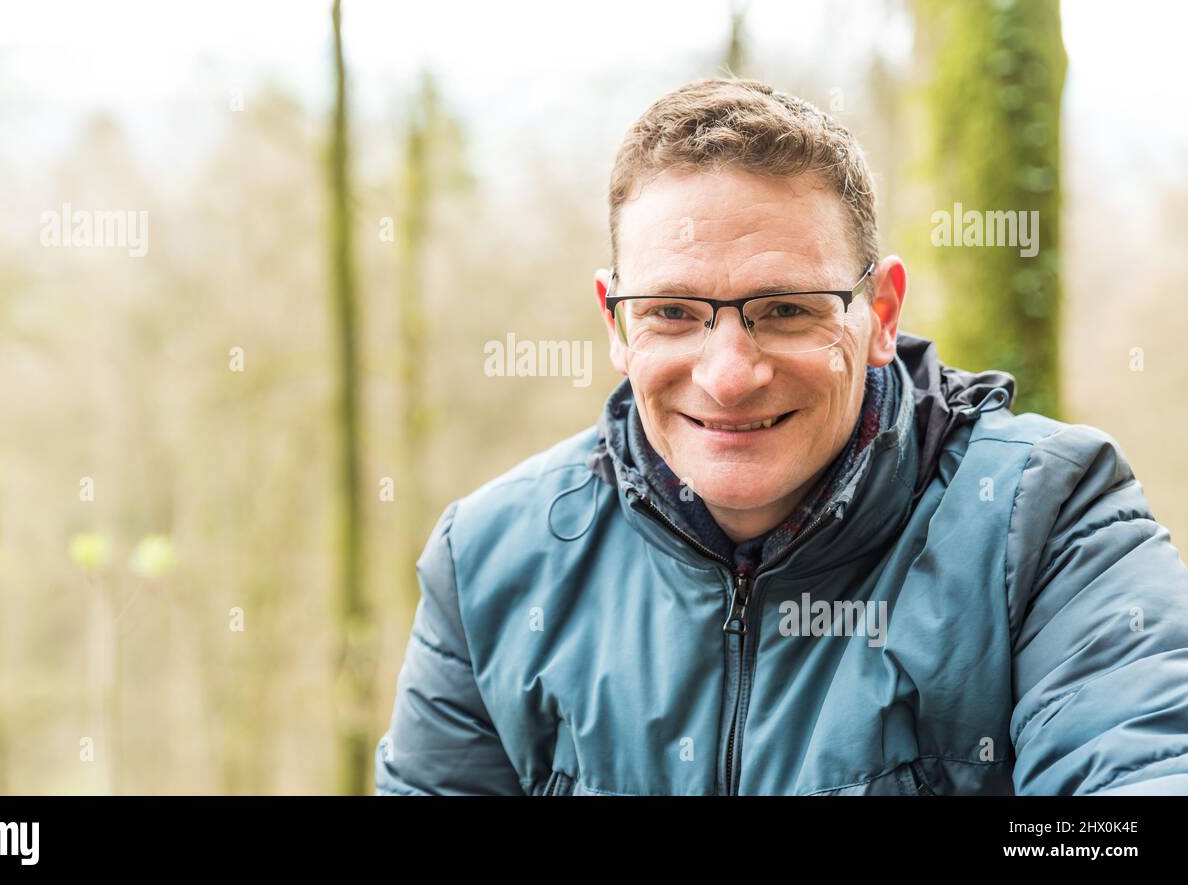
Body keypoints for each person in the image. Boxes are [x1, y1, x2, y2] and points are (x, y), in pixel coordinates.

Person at [374, 78, 1188, 795]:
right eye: (673, 312)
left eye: (786, 310)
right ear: (616, 323)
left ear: (881, 313)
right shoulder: (489, 563)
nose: (729, 375)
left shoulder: (1046, 522)